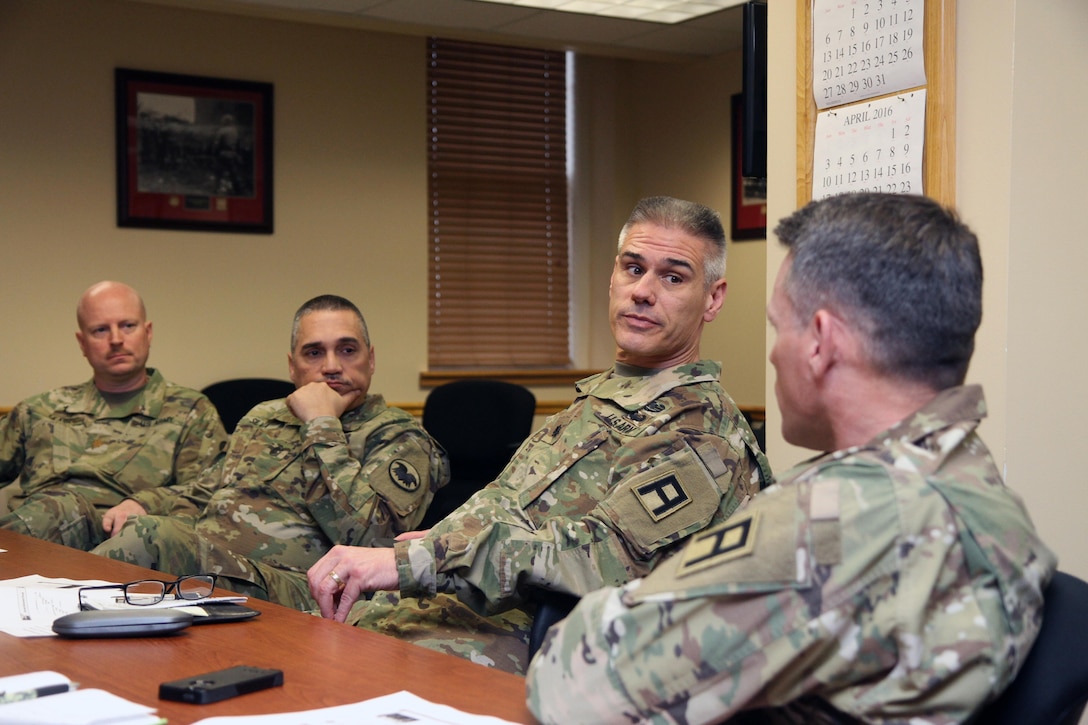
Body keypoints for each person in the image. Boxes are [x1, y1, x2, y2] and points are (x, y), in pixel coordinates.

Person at [525, 193, 1058, 724]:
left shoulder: (839, 519)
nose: (775, 352)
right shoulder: (972, 479)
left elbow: (574, 683)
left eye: (779, 328)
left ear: (821, 342)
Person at [307, 196, 773, 674]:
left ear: (712, 298)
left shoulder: (703, 435)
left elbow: (599, 556)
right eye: (634, 269)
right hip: (440, 614)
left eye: (673, 277)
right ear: (613, 276)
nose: (643, 291)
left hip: (540, 655)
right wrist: (449, 539)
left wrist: (420, 559)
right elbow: (519, 512)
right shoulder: (603, 398)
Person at [92, 295, 449, 610]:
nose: (331, 366)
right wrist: (145, 503)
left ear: (370, 360)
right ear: (292, 365)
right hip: (216, 564)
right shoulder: (264, 416)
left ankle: (53, 615)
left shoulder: (398, 435)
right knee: (130, 524)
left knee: (151, 539)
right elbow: (205, 491)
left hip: (306, 591)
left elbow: (372, 540)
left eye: (347, 349)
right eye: (314, 352)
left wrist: (321, 423)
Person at [0, 281, 227, 551]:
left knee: (64, 507)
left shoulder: (191, 411)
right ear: (82, 343)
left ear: (148, 332)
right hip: (35, 541)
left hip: (122, 550)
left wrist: (146, 502)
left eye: (127, 326)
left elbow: (211, 492)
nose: (116, 339)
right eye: (100, 330)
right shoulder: (40, 410)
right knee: (56, 507)